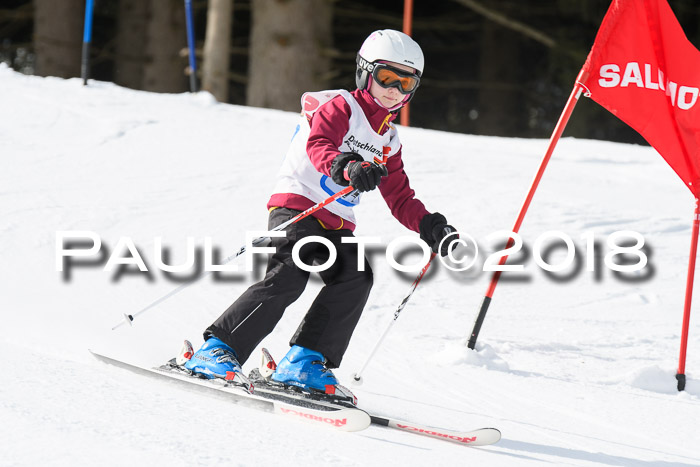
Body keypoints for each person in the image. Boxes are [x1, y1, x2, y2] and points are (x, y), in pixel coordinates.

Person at [184, 29, 457, 399]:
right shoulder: (343, 106)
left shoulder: (388, 139)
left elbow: (400, 196)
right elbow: (319, 144)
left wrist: (429, 225)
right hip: (297, 206)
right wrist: (347, 167)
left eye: (404, 82)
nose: (394, 89)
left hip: (335, 222)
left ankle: (303, 360)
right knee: (290, 274)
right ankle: (217, 350)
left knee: (355, 278)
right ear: (365, 72)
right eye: (385, 77)